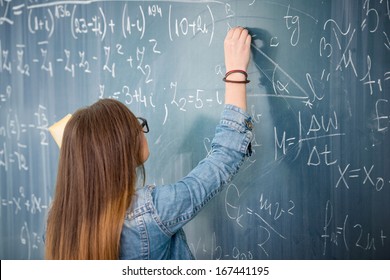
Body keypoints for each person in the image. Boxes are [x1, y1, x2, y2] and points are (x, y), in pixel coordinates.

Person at [45, 27, 253, 260]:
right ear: (121, 147)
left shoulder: (59, 223)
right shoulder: (152, 211)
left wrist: (81, 145)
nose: (143, 130)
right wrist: (236, 71)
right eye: (136, 125)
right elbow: (223, 159)